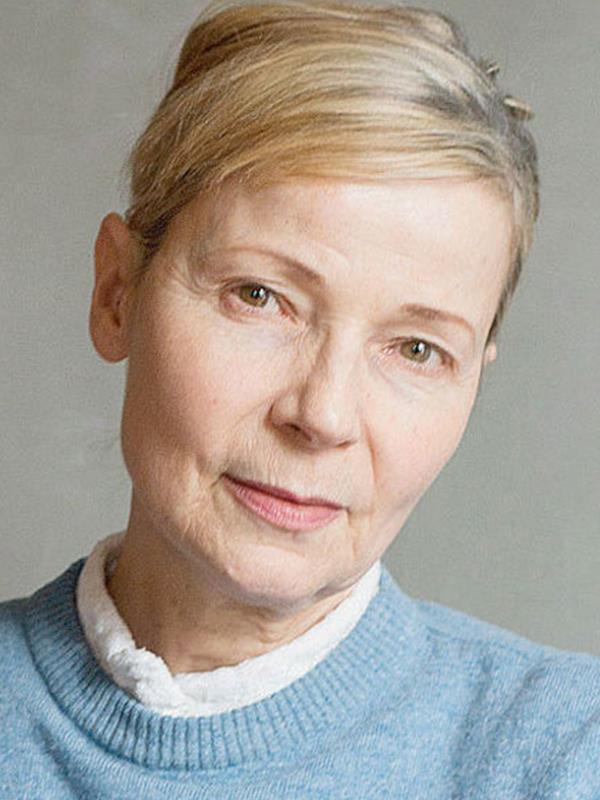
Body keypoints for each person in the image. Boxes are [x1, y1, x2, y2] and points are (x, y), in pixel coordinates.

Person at [1, 0, 599, 797]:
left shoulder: (568, 756)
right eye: (259, 297)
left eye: (417, 349)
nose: (322, 416)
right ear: (117, 292)